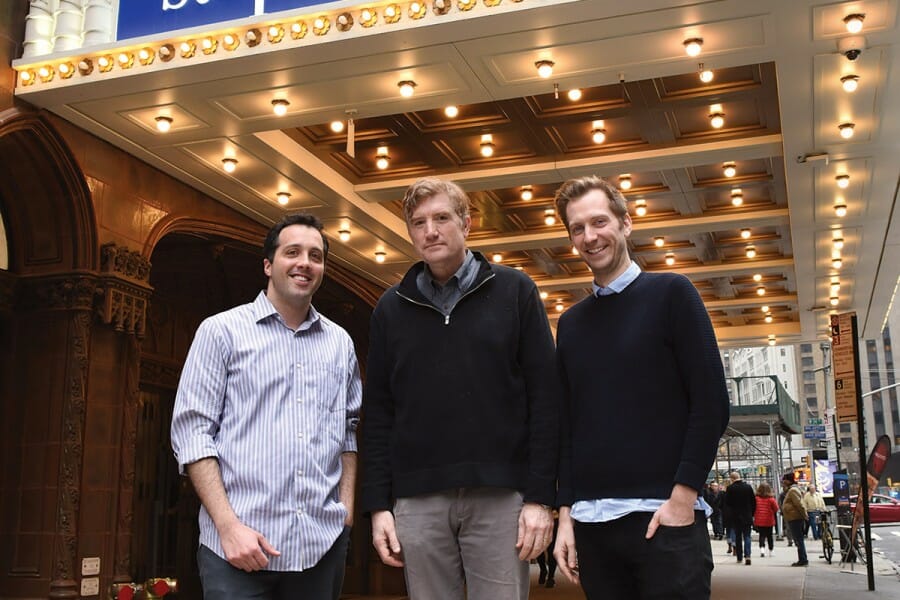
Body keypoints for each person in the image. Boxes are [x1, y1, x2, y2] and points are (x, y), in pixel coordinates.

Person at [360, 177, 559, 600]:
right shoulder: (390, 308)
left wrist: (541, 497)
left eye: (441, 218)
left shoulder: (515, 290)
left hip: (500, 495)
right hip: (417, 500)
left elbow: (546, 398)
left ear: (466, 223)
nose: (430, 231)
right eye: (418, 222)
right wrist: (379, 506)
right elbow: (377, 413)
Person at [551, 176, 730, 599]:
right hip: (593, 526)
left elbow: (711, 405)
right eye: (577, 228)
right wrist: (565, 517)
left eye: (599, 222)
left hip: (662, 521)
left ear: (626, 223)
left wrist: (683, 498)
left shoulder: (673, 294)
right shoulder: (571, 325)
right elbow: (567, 429)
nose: (589, 237)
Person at [170, 213, 362, 599]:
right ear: (268, 264)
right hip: (238, 550)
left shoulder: (340, 343)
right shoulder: (221, 331)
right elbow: (192, 435)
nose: (304, 263)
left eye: (315, 255)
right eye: (292, 252)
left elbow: (348, 431)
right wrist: (227, 528)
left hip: (320, 548)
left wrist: (345, 512)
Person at [723, 472, 756, 565]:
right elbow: (753, 502)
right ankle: (748, 555)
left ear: (732, 479)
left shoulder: (730, 488)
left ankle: (739, 557)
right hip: (747, 515)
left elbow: (728, 502)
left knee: (738, 537)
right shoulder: (748, 487)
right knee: (747, 536)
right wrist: (751, 514)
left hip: (736, 516)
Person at [781, 473, 809, 566]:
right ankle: (802, 558)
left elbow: (799, 504)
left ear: (788, 480)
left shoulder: (793, 490)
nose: (783, 482)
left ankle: (803, 559)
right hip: (793, 517)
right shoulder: (791, 490)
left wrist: (804, 515)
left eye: (784, 480)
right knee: (798, 539)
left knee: (798, 539)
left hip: (795, 518)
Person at [753, 482, 779, 557]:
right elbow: (776, 508)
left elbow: (753, 508)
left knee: (762, 535)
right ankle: (771, 550)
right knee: (769, 535)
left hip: (759, 520)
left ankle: (762, 549)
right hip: (769, 520)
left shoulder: (756, 499)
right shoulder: (771, 499)